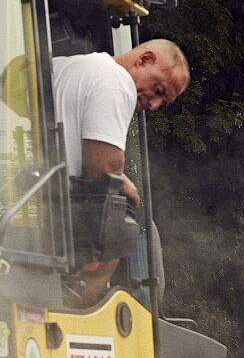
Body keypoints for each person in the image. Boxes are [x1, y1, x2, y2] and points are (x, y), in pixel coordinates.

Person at [52, 40, 190, 299]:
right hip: (53, 227)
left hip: (32, 211)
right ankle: (77, 311)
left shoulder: (64, 68)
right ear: (144, 59)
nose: (154, 105)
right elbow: (104, 172)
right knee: (120, 225)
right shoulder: (117, 81)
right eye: (159, 90)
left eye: (163, 101)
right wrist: (129, 188)